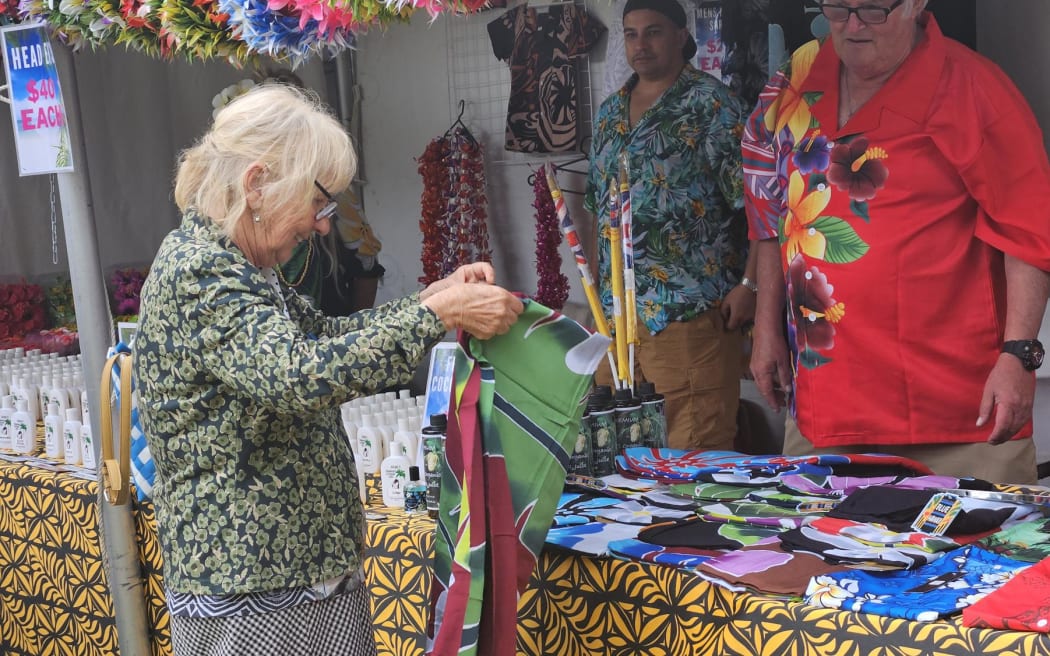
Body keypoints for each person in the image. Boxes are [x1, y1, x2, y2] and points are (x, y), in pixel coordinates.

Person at [133, 84, 523, 655]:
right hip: (253, 583)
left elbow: (322, 338)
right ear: (257, 184)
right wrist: (431, 315)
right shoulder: (200, 274)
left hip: (294, 569)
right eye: (319, 202)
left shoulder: (238, 265)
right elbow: (298, 374)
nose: (321, 225)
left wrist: (431, 302)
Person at [743, 0, 1050, 484]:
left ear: (915, 4)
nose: (852, 25)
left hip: (955, 409)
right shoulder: (793, 83)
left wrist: (1018, 355)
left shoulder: (971, 86)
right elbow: (769, 215)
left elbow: (1027, 232)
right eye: (839, 9)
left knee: (977, 555)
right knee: (819, 553)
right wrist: (766, 330)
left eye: (872, 10)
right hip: (828, 398)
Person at [585, 0, 756, 451]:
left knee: (695, 456)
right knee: (619, 463)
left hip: (688, 316)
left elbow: (761, 209)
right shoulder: (608, 115)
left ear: (681, 35)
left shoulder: (713, 106)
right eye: (631, 34)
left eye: (654, 32)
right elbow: (597, 211)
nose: (641, 44)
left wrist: (750, 285)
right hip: (617, 324)